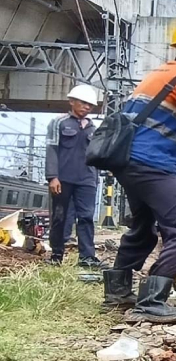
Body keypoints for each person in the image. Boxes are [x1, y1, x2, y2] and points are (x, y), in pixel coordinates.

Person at [102, 19, 176, 322]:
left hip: (128, 162)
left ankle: (117, 290)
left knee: (143, 226)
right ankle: (151, 301)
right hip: (150, 164)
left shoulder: (160, 73)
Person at [45, 85, 104, 268]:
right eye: (83, 103)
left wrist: (97, 177)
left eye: (90, 105)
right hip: (63, 180)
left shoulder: (95, 128)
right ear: (72, 102)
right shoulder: (59, 123)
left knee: (86, 217)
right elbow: (52, 149)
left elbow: (97, 155)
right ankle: (56, 255)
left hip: (87, 180)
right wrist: (52, 177)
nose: (87, 107)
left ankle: (87, 257)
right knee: (61, 218)